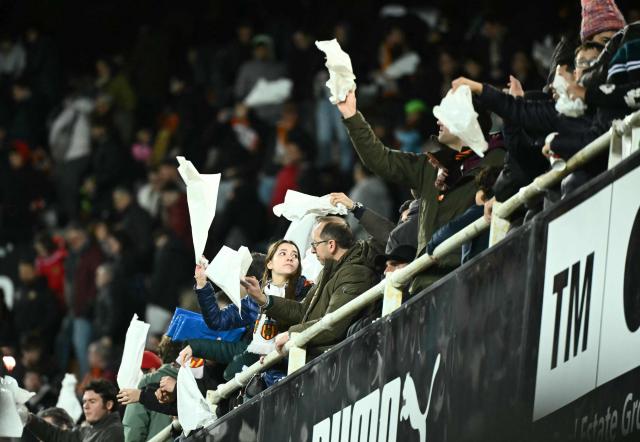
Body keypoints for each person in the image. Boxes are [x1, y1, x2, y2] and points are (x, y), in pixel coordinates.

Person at [336, 90, 503, 292]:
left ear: (467, 120)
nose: (438, 118)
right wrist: (352, 116)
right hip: (426, 283)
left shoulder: (498, 159)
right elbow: (380, 159)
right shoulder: (428, 166)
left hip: (472, 275)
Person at [244, 217, 383, 355]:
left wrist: (291, 334)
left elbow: (333, 326)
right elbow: (303, 311)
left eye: (315, 244)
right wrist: (263, 299)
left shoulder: (354, 274)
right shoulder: (330, 271)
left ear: (331, 245)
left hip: (337, 361)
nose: (312, 250)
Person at [181, 241, 310, 384]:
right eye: (283, 253)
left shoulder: (308, 290)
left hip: (301, 363)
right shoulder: (254, 300)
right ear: (269, 264)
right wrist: (202, 283)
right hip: (269, 373)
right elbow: (217, 320)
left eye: (295, 255)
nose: (290, 257)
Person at [23, 379, 124, 442]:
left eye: (92, 401)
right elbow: (56, 436)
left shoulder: (114, 433)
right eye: (84, 401)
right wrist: (29, 418)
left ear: (109, 405)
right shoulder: (87, 431)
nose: (86, 406)